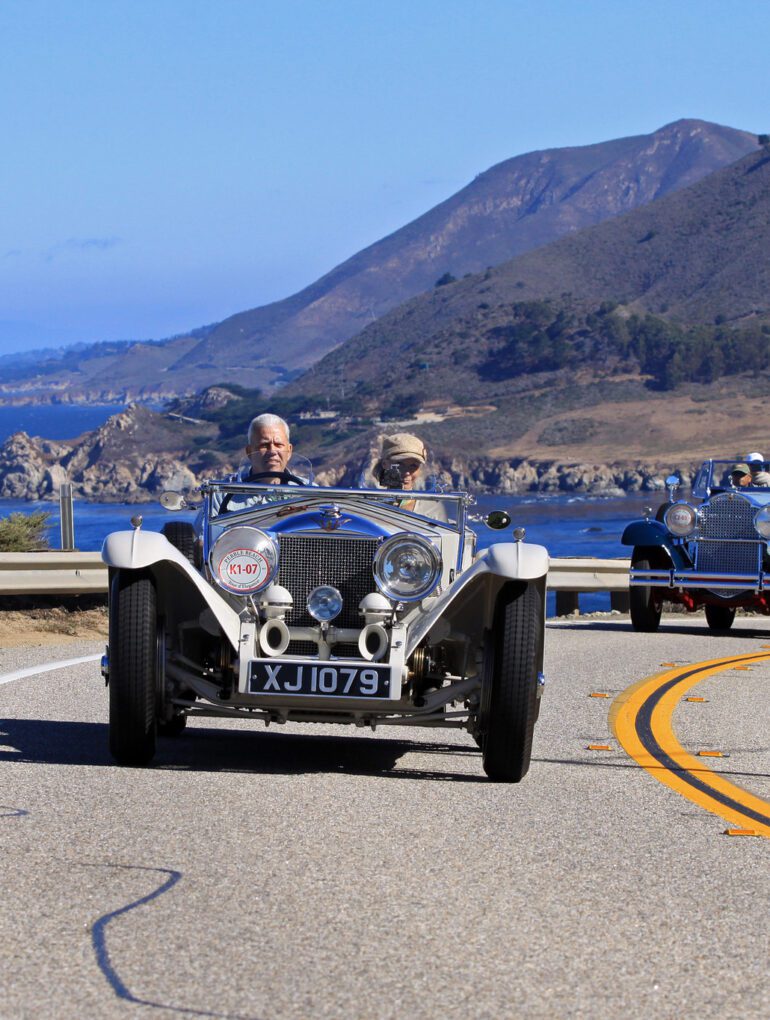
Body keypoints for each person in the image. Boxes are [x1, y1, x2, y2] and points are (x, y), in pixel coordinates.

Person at [212, 414, 304, 512]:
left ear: (289, 451)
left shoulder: (309, 490)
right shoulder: (223, 493)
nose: (272, 451)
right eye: (264, 445)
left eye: (278, 445)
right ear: (249, 451)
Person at [375, 432, 448, 521]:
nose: (407, 473)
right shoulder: (369, 507)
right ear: (385, 464)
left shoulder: (432, 509)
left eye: (413, 466)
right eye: (400, 464)